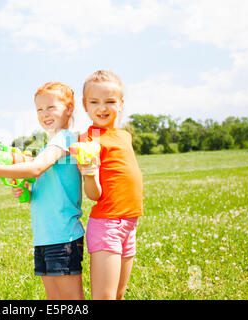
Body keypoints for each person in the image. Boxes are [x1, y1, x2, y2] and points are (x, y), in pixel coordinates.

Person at [0, 82, 85, 300]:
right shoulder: (49, 145)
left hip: (64, 235)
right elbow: (42, 181)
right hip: (45, 236)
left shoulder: (65, 138)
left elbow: (36, 168)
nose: (44, 114)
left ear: (69, 109)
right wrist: (27, 190)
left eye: (51, 107)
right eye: (39, 109)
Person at [77, 70, 143, 300]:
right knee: (104, 297)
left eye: (110, 101)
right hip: (107, 224)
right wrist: (89, 174)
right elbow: (93, 195)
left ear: (121, 103)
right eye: (94, 102)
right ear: (85, 105)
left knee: (118, 294)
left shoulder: (124, 135)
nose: (102, 108)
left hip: (129, 223)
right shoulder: (89, 139)